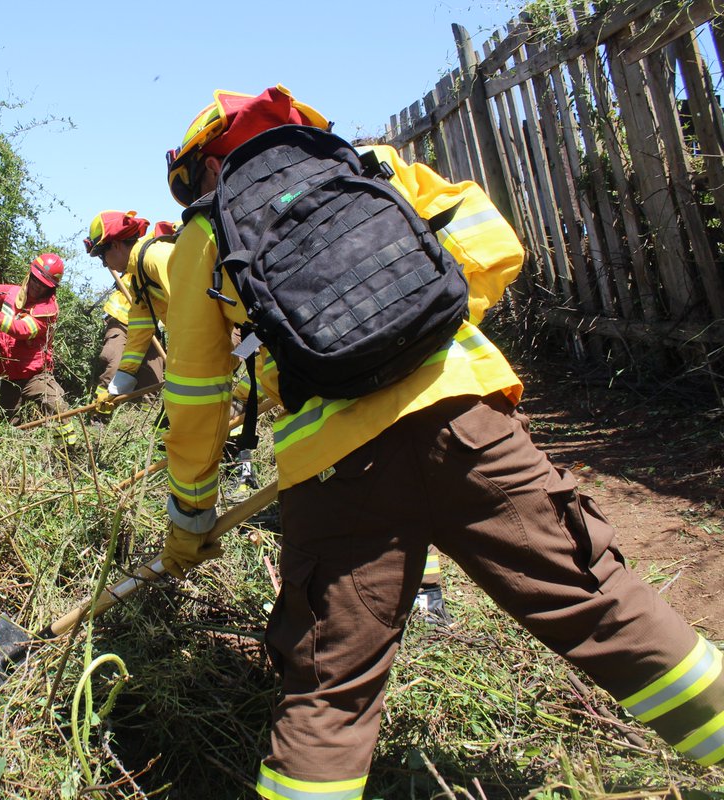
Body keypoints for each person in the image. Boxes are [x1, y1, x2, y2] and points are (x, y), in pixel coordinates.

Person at [157, 85, 724, 796]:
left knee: (331, 686)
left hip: (339, 479)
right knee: (600, 599)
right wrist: (423, 321)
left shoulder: (204, 236)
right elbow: (494, 243)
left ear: (205, 168)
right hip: (469, 426)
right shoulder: (372, 167)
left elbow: (196, 395)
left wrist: (191, 518)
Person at [0, 248, 79, 447]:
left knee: (58, 407)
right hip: (7, 374)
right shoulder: (12, 292)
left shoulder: (47, 310)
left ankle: (70, 452)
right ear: (29, 275)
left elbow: (21, 329)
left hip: (34, 375)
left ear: (50, 288)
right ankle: (10, 456)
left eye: (43, 285)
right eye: (35, 280)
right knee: (7, 425)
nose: (36, 287)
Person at [84, 211, 166, 424]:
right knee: (114, 361)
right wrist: (114, 389)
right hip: (120, 320)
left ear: (117, 245)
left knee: (157, 380)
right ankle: (99, 418)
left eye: (102, 255)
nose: (104, 264)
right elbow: (139, 333)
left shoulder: (153, 259)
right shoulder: (139, 277)